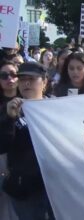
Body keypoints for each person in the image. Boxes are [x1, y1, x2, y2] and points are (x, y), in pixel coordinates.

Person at [0, 62, 55, 220]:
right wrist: (9, 120)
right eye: (22, 79)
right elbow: (2, 146)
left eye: (32, 78)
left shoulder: (57, 106)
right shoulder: (9, 109)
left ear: (44, 82)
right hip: (25, 189)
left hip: (54, 185)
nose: (26, 83)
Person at [0, 61, 19, 220]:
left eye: (13, 74)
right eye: (4, 75)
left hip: (21, 161)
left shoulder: (28, 100)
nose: (9, 78)